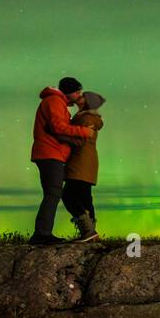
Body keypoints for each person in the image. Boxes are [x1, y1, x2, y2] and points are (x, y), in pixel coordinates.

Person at [29, 76, 97, 245]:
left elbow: (58, 130)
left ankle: (44, 233)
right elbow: (58, 127)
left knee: (54, 193)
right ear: (69, 93)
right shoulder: (54, 101)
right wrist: (83, 132)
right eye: (77, 91)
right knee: (54, 193)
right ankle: (42, 234)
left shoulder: (56, 102)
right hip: (50, 154)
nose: (80, 95)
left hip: (52, 153)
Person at [62, 91, 105, 241]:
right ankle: (91, 233)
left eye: (82, 97)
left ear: (86, 102)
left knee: (68, 195)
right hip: (86, 162)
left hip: (81, 161)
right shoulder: (87, 117)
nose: (78, 98)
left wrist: (61, 136)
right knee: (85, 197)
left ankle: (88, 231)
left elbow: (80, 140)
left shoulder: (86, 119)